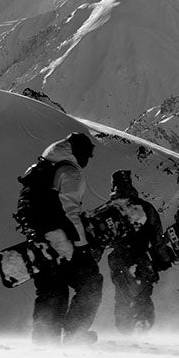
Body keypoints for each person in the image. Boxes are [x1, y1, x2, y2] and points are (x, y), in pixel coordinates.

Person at [13, 132, 102, 344]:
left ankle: (45, 341)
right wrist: (81, 247)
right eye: (87, 154)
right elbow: (70, 212)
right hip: (61, 240)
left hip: (39, 241)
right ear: (78, 151)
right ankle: (75, 334)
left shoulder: (43, 168)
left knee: (52, 290)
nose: (88, 159)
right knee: (90, 282)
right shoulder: (70, 172)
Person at [93, 170, 163, 334]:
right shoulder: (146, 207)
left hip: (119, 260)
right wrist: (161, 260)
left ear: (113, 185)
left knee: (122, 295)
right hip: (142, 259)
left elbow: (96, 240)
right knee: (143, 294)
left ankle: (126, 333)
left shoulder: (107, 209)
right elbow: (157, 237)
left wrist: (90, 262)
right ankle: (143, 326)